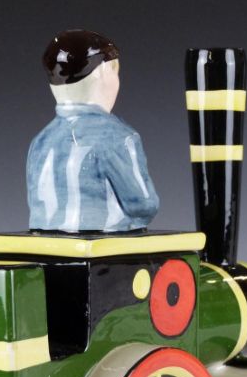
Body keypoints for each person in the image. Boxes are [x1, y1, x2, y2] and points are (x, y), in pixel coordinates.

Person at [26, 29, 159, 233]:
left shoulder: (40, 141)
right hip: (103, 239)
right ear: (103, 74)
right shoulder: (118, 137)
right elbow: (143, 206)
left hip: (43, 237)